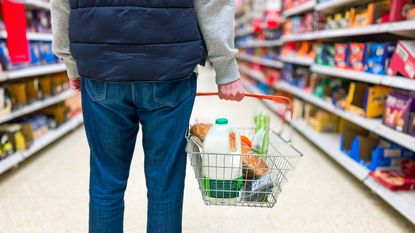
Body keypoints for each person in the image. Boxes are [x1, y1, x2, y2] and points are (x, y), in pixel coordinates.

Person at [50, 0, 244, 232]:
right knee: (165, 182)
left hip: (100, 67)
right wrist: (226, 68)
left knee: (106, 180)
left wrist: (71, 62)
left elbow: (61, 5)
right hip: (170, 66)